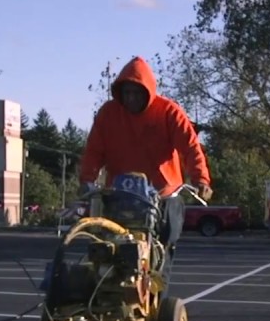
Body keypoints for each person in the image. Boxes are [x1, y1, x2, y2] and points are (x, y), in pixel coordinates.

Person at [78, 55, 213, 256]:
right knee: (107, 251)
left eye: (136, 93)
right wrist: (86, 180)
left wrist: (200, 179)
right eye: (127, 93)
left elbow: (190, 147)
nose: (131, 98)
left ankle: (157, 283)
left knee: (162, 252)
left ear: (147, 92)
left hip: (163, 197)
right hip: (120, 196)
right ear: (120, 93)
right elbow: (94, 151)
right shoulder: (109, 114)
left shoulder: (169, 112)